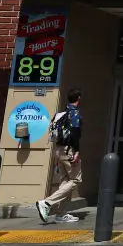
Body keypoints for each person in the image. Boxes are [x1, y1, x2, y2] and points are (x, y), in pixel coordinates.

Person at [35, 88, 83, 224]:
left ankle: (61, 214)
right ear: (78, 98)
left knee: (65, 181)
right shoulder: (74, 113)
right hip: (69, 151)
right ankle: (46, 202)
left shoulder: (59, 114)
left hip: (58, 150)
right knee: (75, 180)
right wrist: (77, 151)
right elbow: (74, 134)